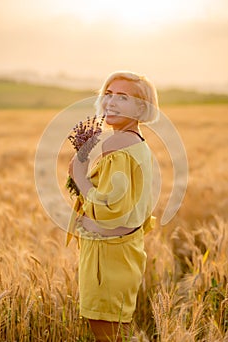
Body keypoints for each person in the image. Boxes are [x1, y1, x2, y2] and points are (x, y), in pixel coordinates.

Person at [68, 71, 159, 341]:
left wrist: (80, 178)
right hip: (122, 254)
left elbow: (110, 207)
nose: (111, 102)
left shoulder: (118, 144)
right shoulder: (136, 141)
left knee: (107, 332)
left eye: (123, 97)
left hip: (107, 260)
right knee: (116, 329)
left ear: (142, 108)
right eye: (108, 95)